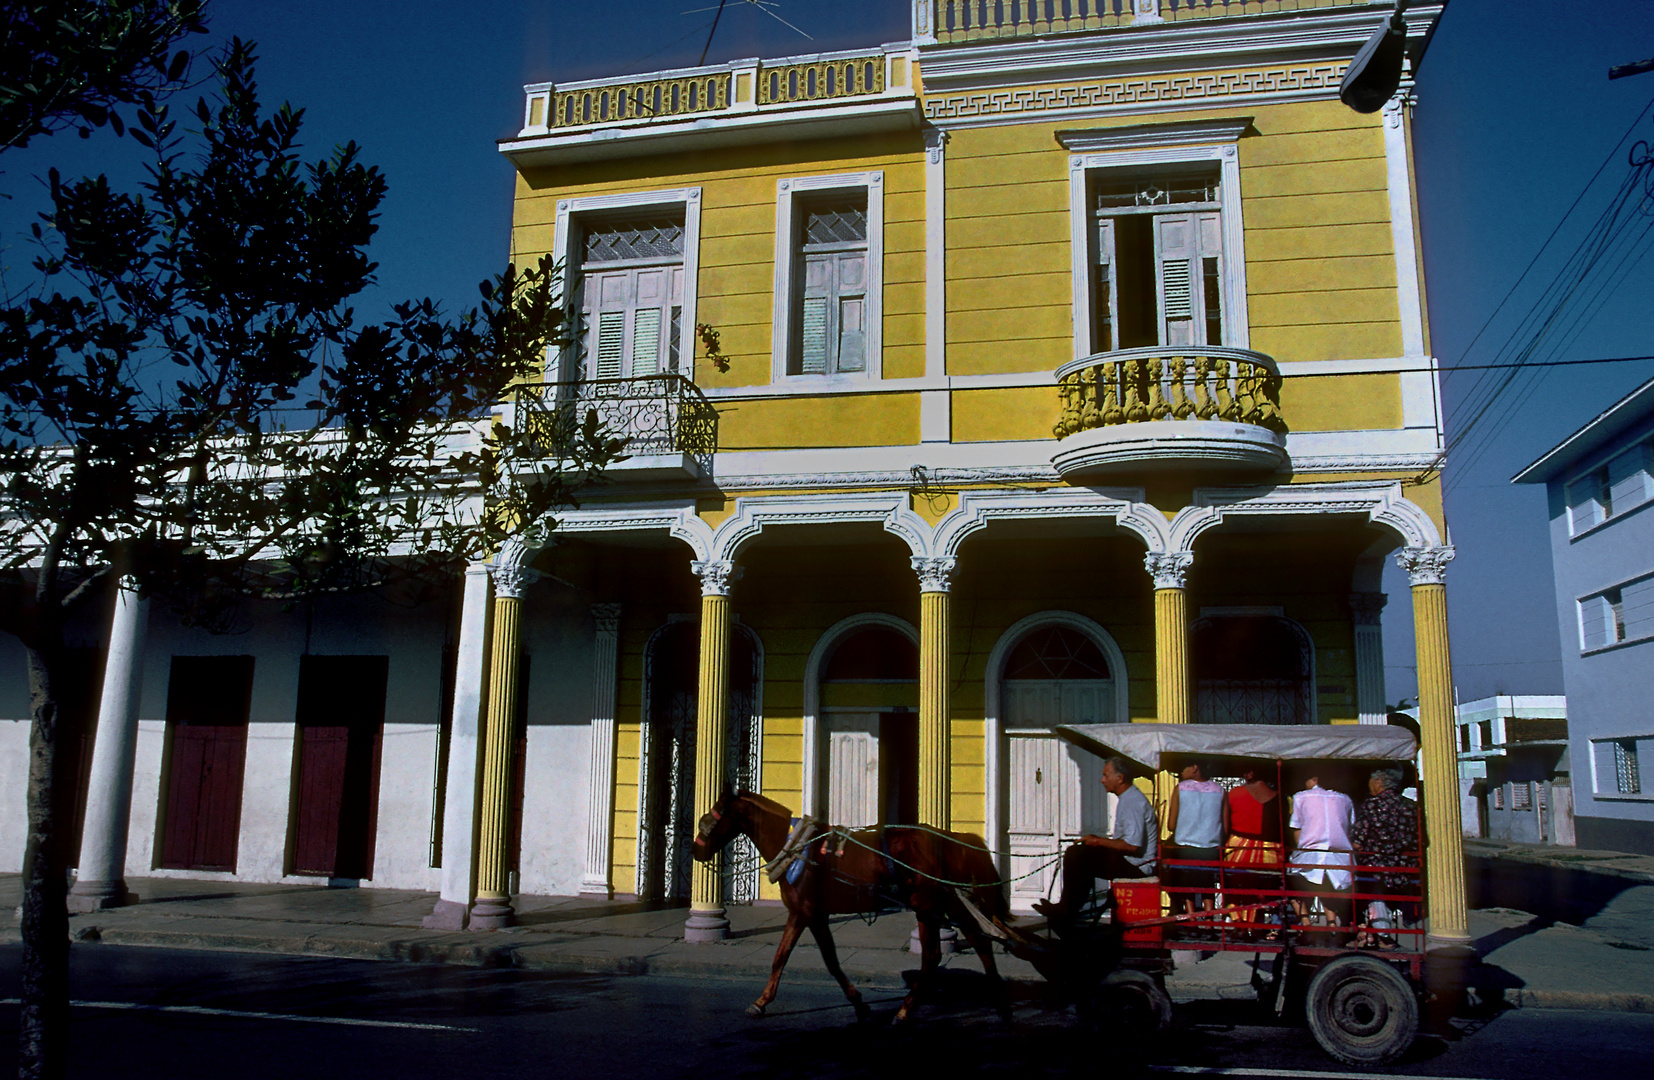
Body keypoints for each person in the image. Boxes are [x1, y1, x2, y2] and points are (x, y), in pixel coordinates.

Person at [1033, 755, 1157, 927]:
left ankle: (1067, 911)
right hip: (1130, 862)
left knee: (1078, 855)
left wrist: (1098, 841)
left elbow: (1132, 846)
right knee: (1080, 854)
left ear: (1120, 778)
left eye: (1106, 775)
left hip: (1137, 867)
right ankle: (1067, 910)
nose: (1102, 780)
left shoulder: (1132, 802)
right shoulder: (1129, 799)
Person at [1349, 767, 1419, 948]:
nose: (1369, 785)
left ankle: (1379, 933)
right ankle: (1374, 931)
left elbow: (1357, 840)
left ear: (1379, 781)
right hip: (1404, 870)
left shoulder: (1371, 806)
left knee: (1368, 884)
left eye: (1371, 781)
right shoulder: (1410, 806)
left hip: (1376, 869)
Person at [1287, 773, 1355, 927]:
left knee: (1291, 886)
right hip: (1340, 860)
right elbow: (1349, 828)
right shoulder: (1345, 799)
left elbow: (1297, 830)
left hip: (1310, 858)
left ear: (1315, 779)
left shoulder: (1301, 797)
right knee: (1327, 885)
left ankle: (1305, 922)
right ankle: (1332, 924)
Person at [1166, 761, 1224, 920]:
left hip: (1186, 847)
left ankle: (1192, 919)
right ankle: (1210, 919)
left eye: (1182, 767)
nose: (1180, 772)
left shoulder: (1181, 789)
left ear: (1195, 768)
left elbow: (1171, 825)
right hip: (1210, 847)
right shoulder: (1219, 790)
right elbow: (1225, 824)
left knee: (1187, 886)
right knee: (1208, 886)